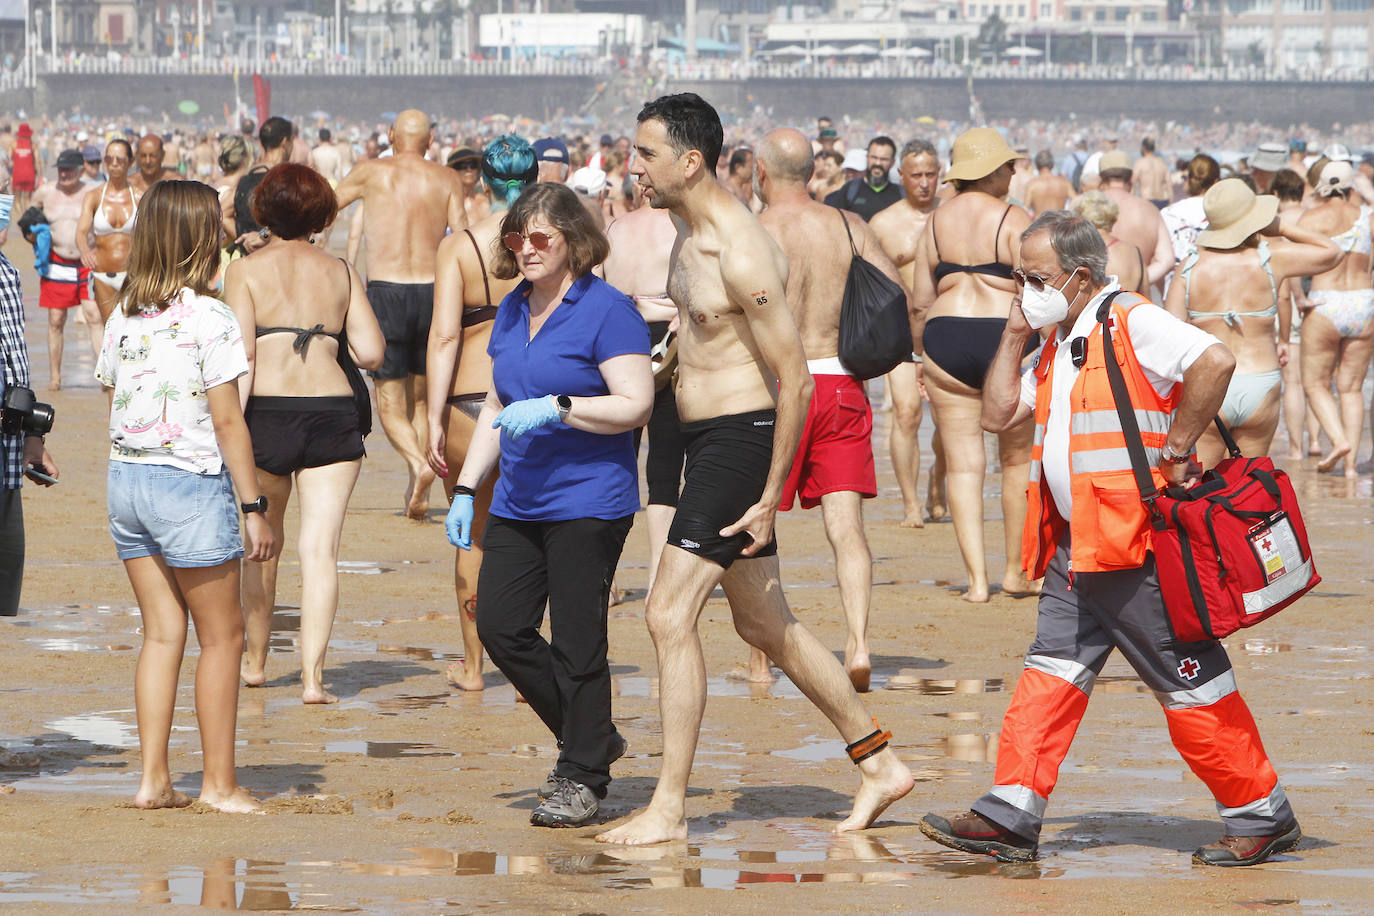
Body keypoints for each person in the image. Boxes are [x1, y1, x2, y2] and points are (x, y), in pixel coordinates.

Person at [921, 210, 1301, 869]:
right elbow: (994, 415)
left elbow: (1215, 359)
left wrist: (1178, 444)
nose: (1022, 288)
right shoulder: (1056, 335)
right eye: (1017, 276)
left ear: (1080, 275)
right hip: (1078, 544)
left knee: (1189, 683)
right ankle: (1010, 813)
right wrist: (1014, 334)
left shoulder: (1130, 318)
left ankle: (1262, 816)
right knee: (1051, 671)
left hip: (1136, 542)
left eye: (1034, 277)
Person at [595, 93, 913, 848]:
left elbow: (794, 379)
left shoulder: (739, 248)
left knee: (668, 613)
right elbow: (702, 333)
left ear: (690, 161)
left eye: (646, 152)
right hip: (702, 436)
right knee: (765, 623)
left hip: (741, 443)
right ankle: (881, 764)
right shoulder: (685, 227)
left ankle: (668, 809)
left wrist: (771, 494)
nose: (634, 164)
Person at [443, 183, 652, 827]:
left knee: (578, 642)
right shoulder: (511, 310)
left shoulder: (607, 310)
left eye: (540, 239)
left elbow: (635, 403)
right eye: (516, 238)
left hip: (589, 501)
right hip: (517, 499)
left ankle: (582, 774)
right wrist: (464, 487)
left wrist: (562, 407)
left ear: (573, 241)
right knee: (500, 626)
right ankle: (592, 736)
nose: (526, 250)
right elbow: (499, 406)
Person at [95, 180, 275, 813]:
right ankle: (219, 785)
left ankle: (152, 780)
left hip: (127, 481)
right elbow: (229, 422)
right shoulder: (210, 317)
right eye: (219, 222)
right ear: (201, 237)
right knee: (221, 638)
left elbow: (110, 397)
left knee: (162, 632)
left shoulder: (123, 312)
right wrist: (254, 508)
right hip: (189, 483)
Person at [224, 163, 385, 705]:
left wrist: (228, 432)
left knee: (260, 546)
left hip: (266, 410)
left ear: (263, 210)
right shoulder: (340, 270)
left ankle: (256, 662)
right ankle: (314, 680)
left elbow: (240, 355)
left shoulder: (245, 270)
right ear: (321, 213)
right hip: (331, 412)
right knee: (321, 552)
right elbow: (372, 352)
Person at [755, 127, 907, 693]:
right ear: (813, 174)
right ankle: (859, 643)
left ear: (762, 174)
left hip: (774, 387)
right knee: (847, 529)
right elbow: (894, 293)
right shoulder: (847, 225)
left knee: (759, 522)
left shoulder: (754, 232)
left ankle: (760, 658)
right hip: (839, 383)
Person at [426, 136, 536, 693]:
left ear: (483, 184)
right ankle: (526, 672)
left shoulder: (462, 247)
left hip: (469, 397)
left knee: (472, 534)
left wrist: (432, 419)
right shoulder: (550, 240)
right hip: (537, 398)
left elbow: (445, 336)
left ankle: (473, 668)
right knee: (537, 535)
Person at [910, 127, 1038, 603]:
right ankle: (1014, 572)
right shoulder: (1012, 218)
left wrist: (922, 359)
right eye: (1008, 165)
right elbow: (1036, 289)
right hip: (1003, 338)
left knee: (964, 467)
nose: (1014, 171)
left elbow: (921, 302)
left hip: (945, 338)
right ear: (991, 171)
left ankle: (978, 584)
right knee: (1016, 460)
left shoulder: (937, 222)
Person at [335, 110, 467, 519]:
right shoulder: (446, 178)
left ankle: (417, 463)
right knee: (425, 399)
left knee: (390, 401)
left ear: (391, 135)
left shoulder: (371, 172)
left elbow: (326, 206)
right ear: (429, 142)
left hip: (387, 292)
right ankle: (419, 482)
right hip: (434, 292)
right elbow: (461, 236)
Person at [1166, 179, 1340, 469]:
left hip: (1209, 383)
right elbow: (1332, 251)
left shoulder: (1190, 266)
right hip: (1260, 381)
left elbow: (1169, 335)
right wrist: (1281, 227)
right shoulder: (1271, 259)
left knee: (1203, 492)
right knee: (1250, 488)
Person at [599, 199, 683, 601]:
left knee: (616, 461)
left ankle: (607, 576)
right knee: (665, 467)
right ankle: (657, 581)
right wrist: (659, 303)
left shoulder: (616, 228)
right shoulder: (684, 227)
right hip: (668, 344)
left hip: (618, 341)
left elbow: (596, 290)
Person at [871, 139, 947, 527]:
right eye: (916, 175)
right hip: (901, 333)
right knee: (906, 413)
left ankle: (939, 479)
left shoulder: (950, 216)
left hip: (946, 328)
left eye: (931, 174)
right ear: (901, 176)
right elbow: (866, 281)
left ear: (941, 174)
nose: (923, 183)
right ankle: (911, 504)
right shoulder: (883, 223)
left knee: (951, 420)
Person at [1297, 159, 1374, 477]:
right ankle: (1352, 467)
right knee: (1352, 388)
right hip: (1363, 301)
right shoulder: (1368, 219)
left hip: (1325, 301)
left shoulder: (1311, 219)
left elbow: (1290, 265)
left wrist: (1299, 299)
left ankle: (1339, 441)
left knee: (1315, 383)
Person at [1, 223, 60, 616]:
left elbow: (15, 366)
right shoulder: (4, 274)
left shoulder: (6, 272)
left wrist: (32, 437)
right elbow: (15, 362)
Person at [1270, 169, 1322, 459]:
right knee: (1316, 380)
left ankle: (1296, 448)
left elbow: (1286, 270)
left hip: (1289, 300)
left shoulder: (1280, 223)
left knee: (1293, 382)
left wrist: (1296, 298)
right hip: (1319, 299)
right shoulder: (1313, 216)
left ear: (1276, 194)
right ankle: (1315, 440)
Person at [31, 149, 93, 388]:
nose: (64, 174)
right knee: (56, 319)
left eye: (69, 169)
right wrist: (33, 237)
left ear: (81, 170)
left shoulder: (91, 192)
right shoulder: (47, 191)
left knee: (94, 315)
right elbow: (28, 213)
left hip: (87, 260)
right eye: (61, 169)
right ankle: (55, 378)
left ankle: (103, 380)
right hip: (56, 261)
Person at [76, 139, 140, 356]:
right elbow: (81, 233)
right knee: (111, 335)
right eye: (108, 159)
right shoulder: (94, 196)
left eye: (119, 159)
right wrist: (85, 250)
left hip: (134, 275)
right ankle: (112, 388)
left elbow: (155, 234)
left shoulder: (140, 196)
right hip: (103, 275)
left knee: (134, 335)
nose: (114, 164)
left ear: (130, 161)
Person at [1095, 150, 1176, 290]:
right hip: (1133, 299)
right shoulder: (1149, 210)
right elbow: (1167, 260)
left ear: (1100, 180)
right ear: (1131, 178)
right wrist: (1136, 280)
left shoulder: (1087, 208)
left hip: (1093, 296)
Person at [226, 117, 294, 254]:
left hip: (248, 259)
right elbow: (287, 222)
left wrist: (244, 239)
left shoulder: (247, 177)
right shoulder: (286, 178)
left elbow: (221, 212)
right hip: (277, 260)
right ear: (285, 142)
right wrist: (262, 236)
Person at [1072, 191, 1147, 294]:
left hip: (1097, 309)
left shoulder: (1079, 252)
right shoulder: (1134, 251)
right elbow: (1146, 299)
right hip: (1128, 307)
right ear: (1112, 219)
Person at [1162, 154, 1222, 272]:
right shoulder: (1224, 214)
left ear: (1188, 180)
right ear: (1216, 182)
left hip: (1174, 284)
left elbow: (1159, 260)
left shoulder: (1167, 213)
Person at [824, 136, 901, 221]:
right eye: (874, 157)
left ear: (892, 162)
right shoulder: (850, 190)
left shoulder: (900, 194)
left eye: (884, 159)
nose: (878, 163)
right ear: (867, 158)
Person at [447, 146, 491, 224]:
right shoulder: (444, 206)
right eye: (462, 166)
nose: (469, 169)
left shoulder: (487, 203)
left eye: (473, 165)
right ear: (452, 171)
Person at [1024, 150, 1073, 215]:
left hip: (1040, 224)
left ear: (1036, 165)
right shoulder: (1064, 183)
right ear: (1052, 165)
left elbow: (1025, 209)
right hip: (1060, 223)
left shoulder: (1032, 185)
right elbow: (1077, 202)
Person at [1132, 137, 1173, 207]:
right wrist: (1171, 204)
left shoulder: (1139, 164)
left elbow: (1132, 185)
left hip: (1146, 201)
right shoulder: (1162, 164)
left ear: (1143, 148)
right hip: (1162, 202)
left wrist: (1131, 204)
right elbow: (1169, 186)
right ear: (1154, 148)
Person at [11, 123, 35, 212]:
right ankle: (27, 218)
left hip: (17, 174)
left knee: (17, 199)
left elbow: (9, 161)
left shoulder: (13, 144)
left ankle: (21, 217)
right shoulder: (33, 145)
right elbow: (38, 162)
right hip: (30, 174)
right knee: (27, 199)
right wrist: (40, 174)